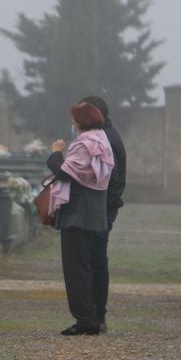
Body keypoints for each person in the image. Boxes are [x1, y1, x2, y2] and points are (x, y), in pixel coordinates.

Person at [47, 101, 115, 336]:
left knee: (76, 269)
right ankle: (90, 316)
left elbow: (66, 172)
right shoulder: (102, 140)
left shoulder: (85, 143)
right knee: (87, 266)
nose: (72, 124)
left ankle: (85, 318)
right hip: (94, 212)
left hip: (78, 213)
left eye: (74, 120)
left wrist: (56, 152)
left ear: (82, 122)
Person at [81, 96, 126, 331]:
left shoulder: (105, 139)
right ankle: (95, 314)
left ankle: (97, 314)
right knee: (94, 258)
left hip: (102, 208)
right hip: (104, 207)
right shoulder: (105, 135)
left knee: (95, 259)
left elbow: (111, 178)